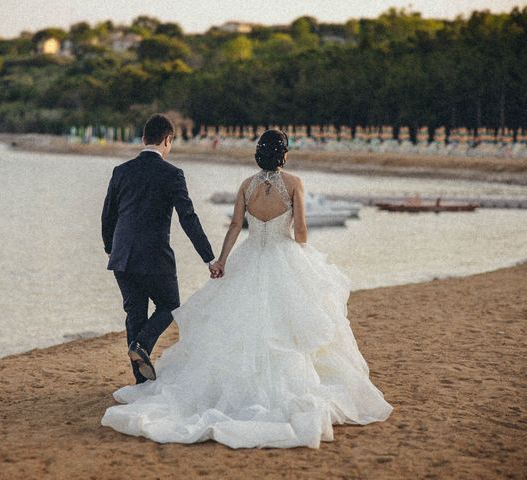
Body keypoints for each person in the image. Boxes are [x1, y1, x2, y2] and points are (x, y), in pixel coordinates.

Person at [101, 129, 394, 449]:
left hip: (247, 256)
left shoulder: (246, 186)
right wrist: (300, 247)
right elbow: (301, 234)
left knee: (235, 326)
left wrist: (221, 261)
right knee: (290, 329)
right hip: (284, 259)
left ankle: (144, 365)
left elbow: (235, 227)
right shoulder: (295, 184)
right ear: (284, 154)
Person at [101, 113, 221, 385]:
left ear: (143, 139)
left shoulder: (121, 172)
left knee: (135, 313)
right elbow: (188, 218)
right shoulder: (173, 174)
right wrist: (209, 258)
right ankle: (142, 345)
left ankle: (140, 380)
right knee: (169, 304)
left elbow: (108, 216)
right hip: (154, 257)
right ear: (167, 140)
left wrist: (110, 247)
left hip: (122, 257)